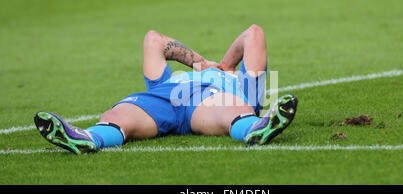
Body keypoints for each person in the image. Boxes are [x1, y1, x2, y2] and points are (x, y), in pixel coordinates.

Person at [34, 24, 298, 154]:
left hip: (208, 105)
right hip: (164, 98)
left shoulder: (245, 86)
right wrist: (203, 63)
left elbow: (253, 34)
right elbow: (154, 40)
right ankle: (88, 139)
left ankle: (256, 128)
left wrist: (228, 65)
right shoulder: (170, 81)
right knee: (117, 115)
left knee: (234, 109)